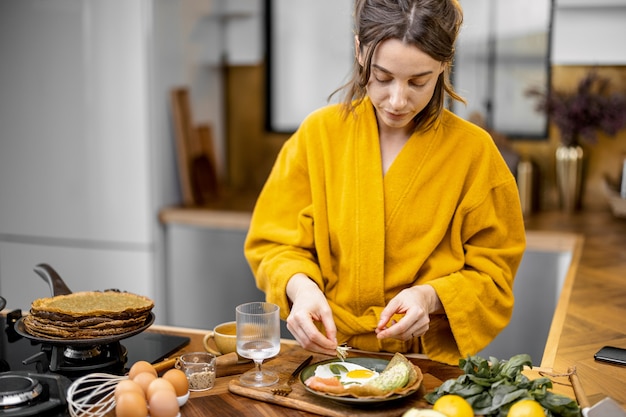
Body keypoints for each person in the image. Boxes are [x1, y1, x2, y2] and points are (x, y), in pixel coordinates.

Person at [244, 0, 526, 365]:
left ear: (445, 63)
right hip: (329, 357)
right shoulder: (318, 136)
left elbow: (495, 274)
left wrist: (430, 297)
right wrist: (301, 288)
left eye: (418, 82)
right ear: (360, 50)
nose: (397, 99)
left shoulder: (475, 153)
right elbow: (273, 245)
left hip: (425, 367)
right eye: (383, 77)